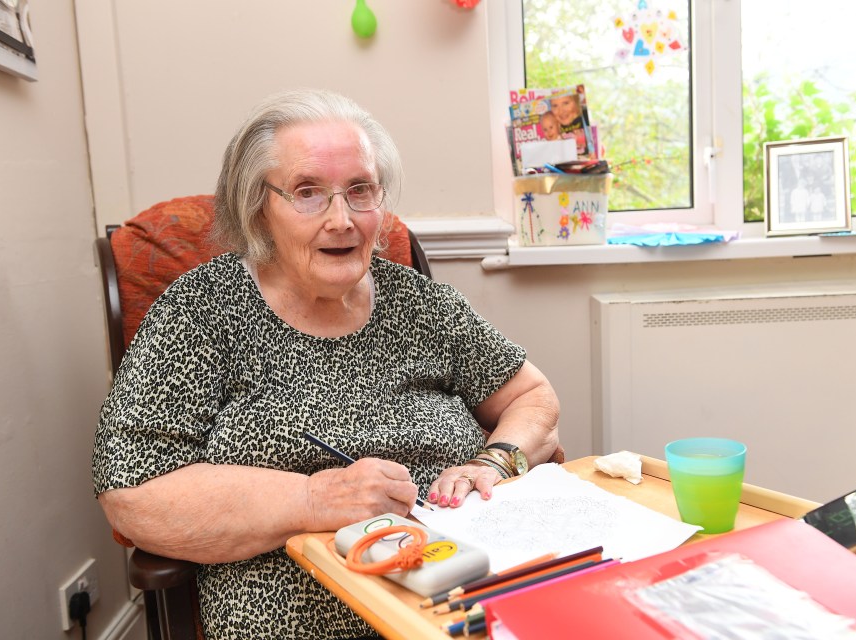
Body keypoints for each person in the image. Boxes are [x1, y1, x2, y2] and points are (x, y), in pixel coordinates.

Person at [92, 89, 561, 640]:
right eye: (308, 192)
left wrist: (495, 463)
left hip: (465, 590)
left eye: (359, 191)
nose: (341, 219)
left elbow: (533, 398)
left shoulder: (418, 302)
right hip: (303, 615)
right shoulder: (203, 311)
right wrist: (315, 499)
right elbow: (131, 491)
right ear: (259, 209)